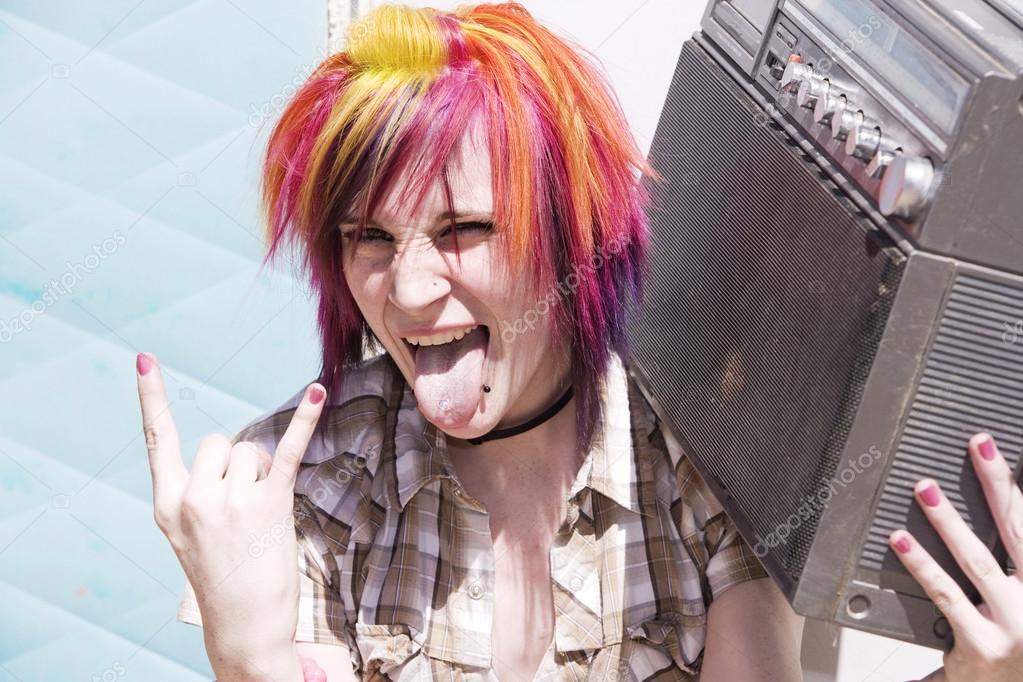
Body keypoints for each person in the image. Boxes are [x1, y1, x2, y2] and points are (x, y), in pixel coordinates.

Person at [135, 3, 1023, 680]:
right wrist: (247, 654)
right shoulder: (302, 492)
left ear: (566, 233)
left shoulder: (698, 458)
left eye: (465, 228)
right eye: (368, 237)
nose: (407, 292)